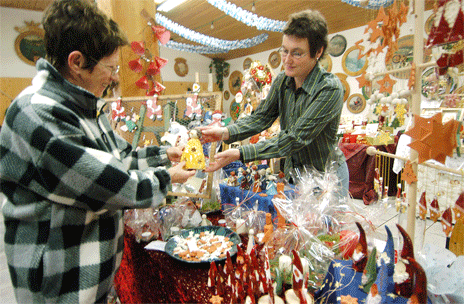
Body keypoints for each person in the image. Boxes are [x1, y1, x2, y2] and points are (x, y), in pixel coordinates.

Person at [0, 0, 195, 303]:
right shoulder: (36, 113)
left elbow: (120, 158)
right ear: (76, 62)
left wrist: (164, 154)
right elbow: (110, 185)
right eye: (111, 67)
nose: (116, 77)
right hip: (60, 282)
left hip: (92, 277)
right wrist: (167, 178)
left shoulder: (83, 105)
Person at [200, 9, 349, 194]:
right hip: (295, 176)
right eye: (284, 51)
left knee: (325, 223)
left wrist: (241, 153)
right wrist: (225, 132)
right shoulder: (282, 81)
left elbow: (295, 138)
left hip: (326, 178)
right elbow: (261, 117)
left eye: (297, 53)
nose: (287, 60)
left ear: (318, 52)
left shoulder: (329, 88)